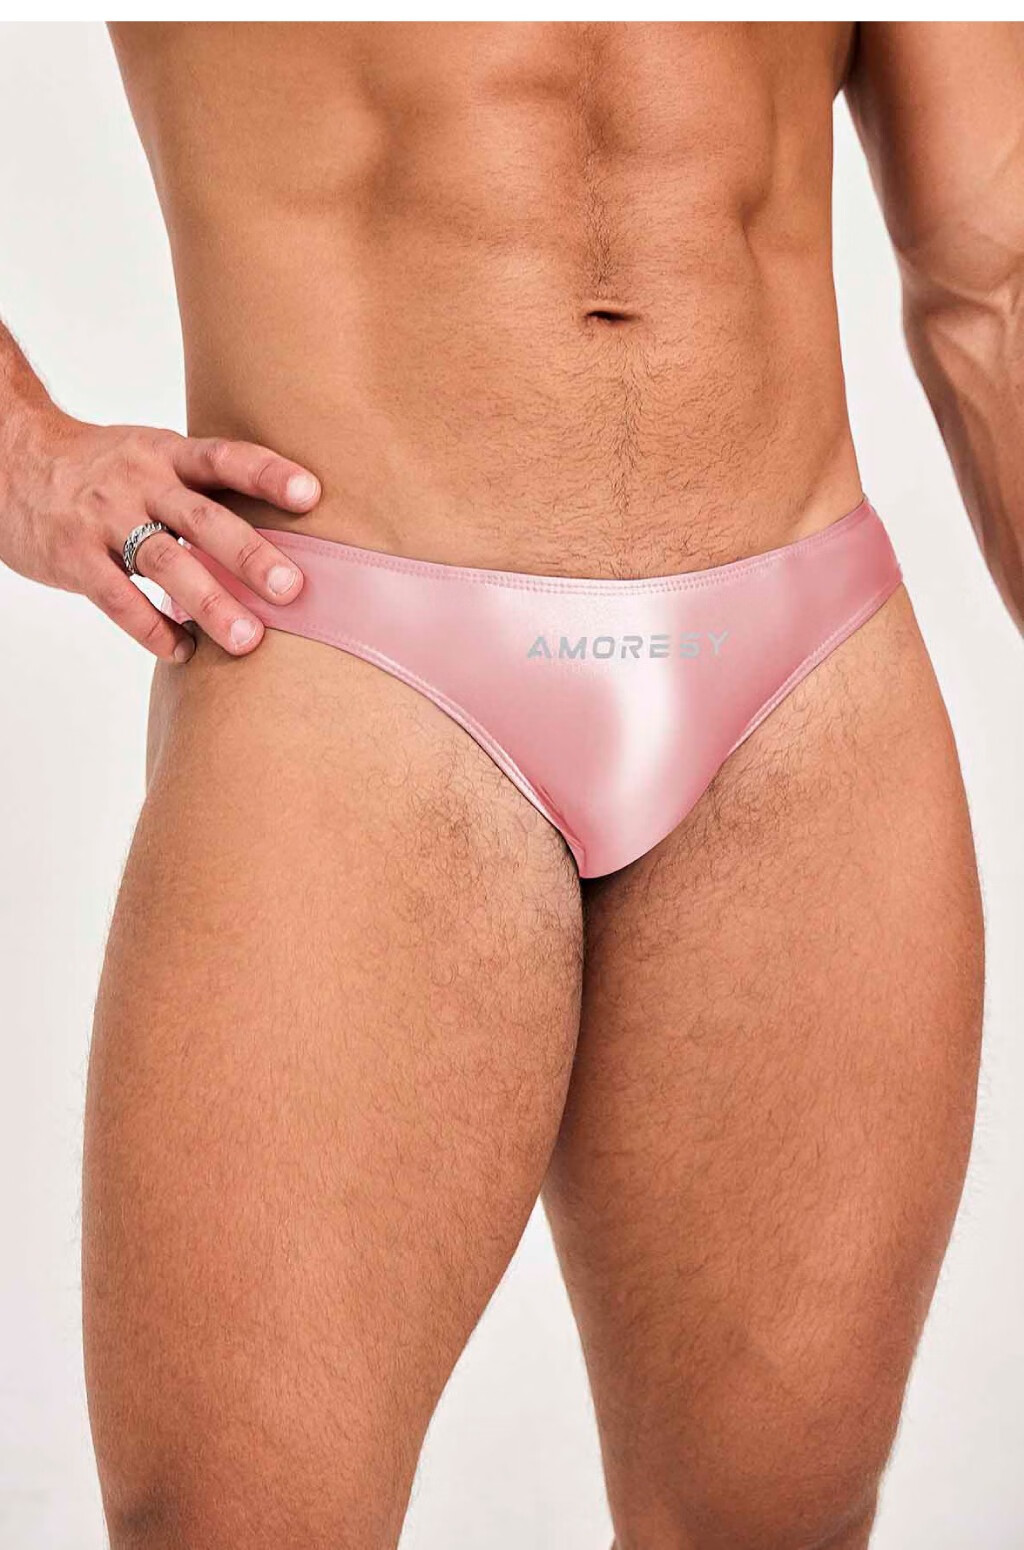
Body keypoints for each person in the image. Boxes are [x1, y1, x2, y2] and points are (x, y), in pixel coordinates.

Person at [0, 21, 1017, 1549]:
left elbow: (993, 273)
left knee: (779, 1525)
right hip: (355, 654)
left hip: (804, 669)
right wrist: (25, 452)